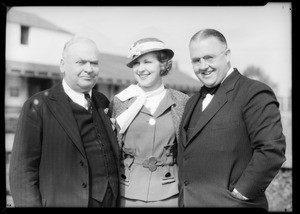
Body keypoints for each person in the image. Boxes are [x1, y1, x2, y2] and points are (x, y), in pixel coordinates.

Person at [177, 29, 286, 210]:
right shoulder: (191, 103)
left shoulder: (254, 92)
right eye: (196, 60)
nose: (203, 66)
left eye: (209, 57)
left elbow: (272, 149)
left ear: (227, 55)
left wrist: (243, 192)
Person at [9, 36, 120, 207]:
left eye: (94, 63)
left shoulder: (103, 102)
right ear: (63, 65)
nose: (89, 69)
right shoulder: (38, 106)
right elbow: (22, 172)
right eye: (81, 62)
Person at [110, 37, 189, 207]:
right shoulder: (119, 102)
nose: (141, 69)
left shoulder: (182, 102)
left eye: (147, 62)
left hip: (170, 194)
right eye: (136, 63)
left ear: (163, 65)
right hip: (127, 194)